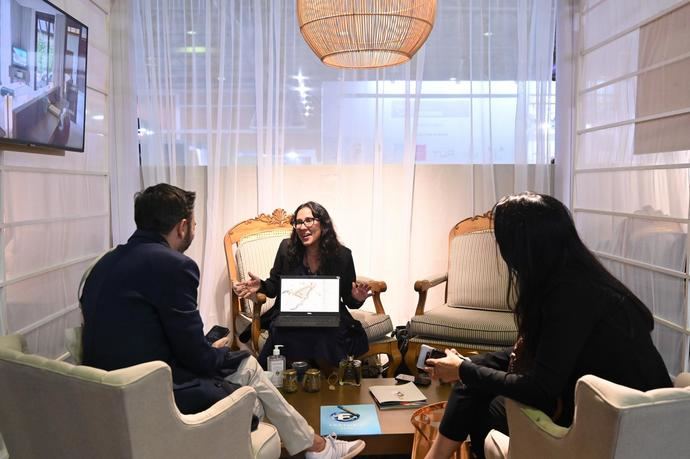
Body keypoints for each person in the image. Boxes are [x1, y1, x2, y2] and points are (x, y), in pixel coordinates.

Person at [80, 184, 365, 459]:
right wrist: (217, 351)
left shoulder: (102, 264)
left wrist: (206, 347)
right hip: (157, 390)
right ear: (182, 227)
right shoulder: (174, 265)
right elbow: (196, 356)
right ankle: (315, 446)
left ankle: (311, 443)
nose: (302, 226)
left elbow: (144, 331)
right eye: (194, 223)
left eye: (308, 221)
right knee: (248, 370)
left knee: (251, 374)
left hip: (104, 393)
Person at [423, 192, 672, 459]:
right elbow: (544, 352)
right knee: (472, 382)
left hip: (618, 427)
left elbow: (539, 389)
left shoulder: (571, 296)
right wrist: (470, 365)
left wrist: (465, 370)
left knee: (485, 405)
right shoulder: (576, 280)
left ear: (524, 247)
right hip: (615, 411)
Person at [233, 201, 371, 369]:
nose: (302, 227)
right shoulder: (286, 249)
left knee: (328, 335)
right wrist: (260, 285)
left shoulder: (342, 255)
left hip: (328, 316)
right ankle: (287, 380)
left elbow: (348, 299)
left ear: (323, 223)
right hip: (291, 314)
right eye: (298, 222)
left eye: (308, 220)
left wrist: (357, 298)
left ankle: (329, 379)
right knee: (283, 331)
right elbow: (274, 285)